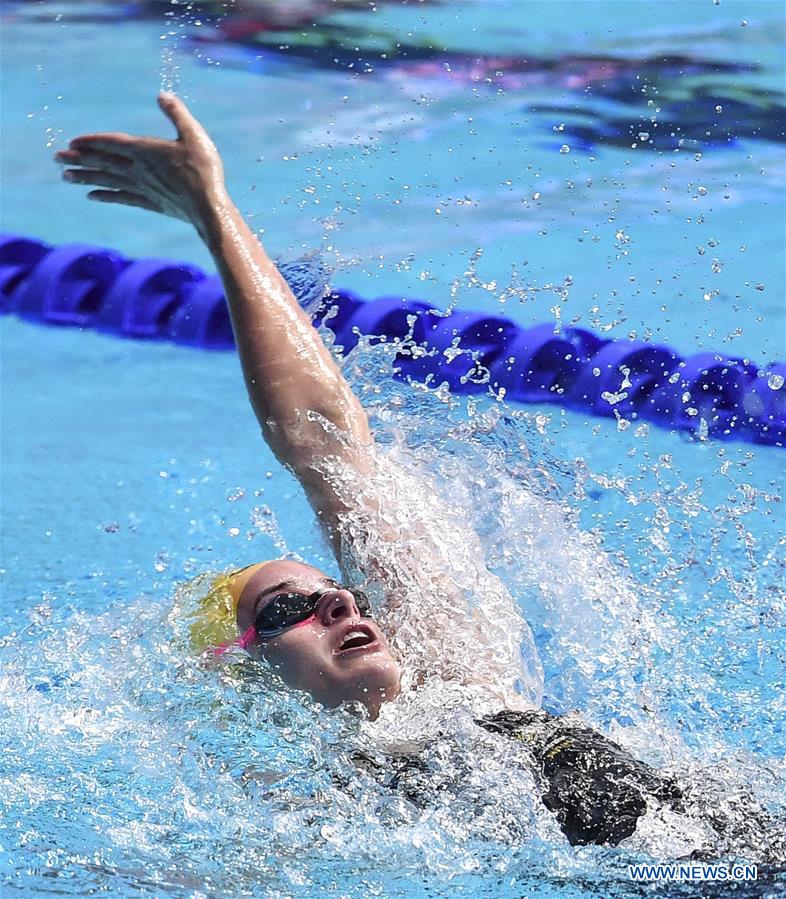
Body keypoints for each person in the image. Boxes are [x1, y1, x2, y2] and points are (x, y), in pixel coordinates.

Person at [51, 94, 728, 849]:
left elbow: (323, 443)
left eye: (339, 592)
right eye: (285, 610)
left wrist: (215, 211)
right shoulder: (321, 820)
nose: (340, 605)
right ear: (241, 673)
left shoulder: (457, 679)